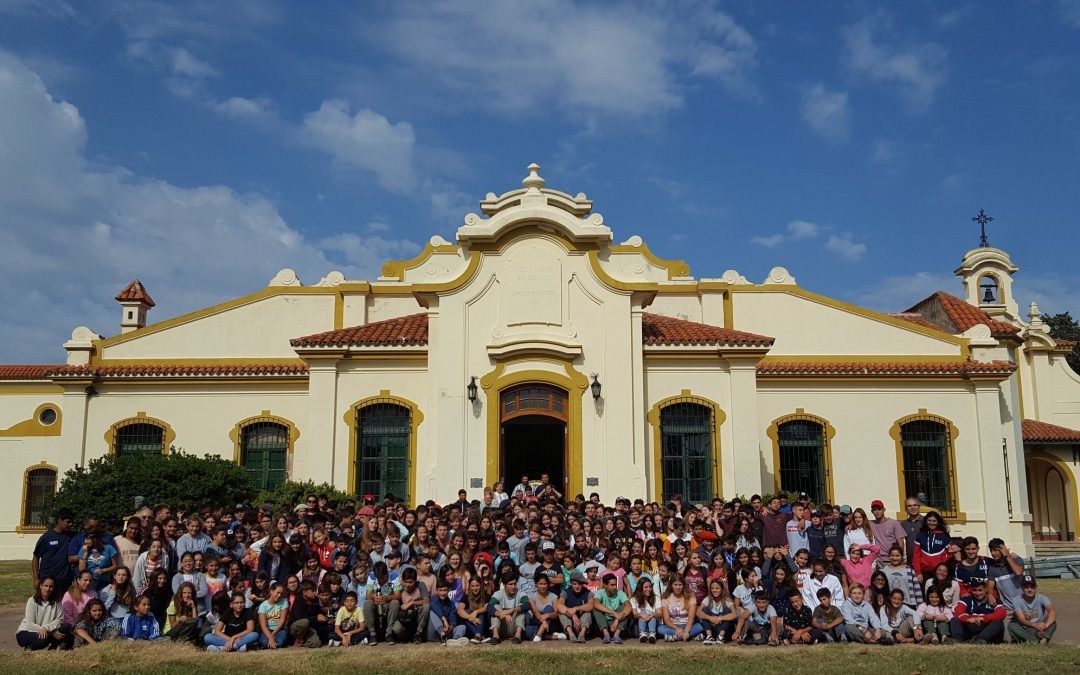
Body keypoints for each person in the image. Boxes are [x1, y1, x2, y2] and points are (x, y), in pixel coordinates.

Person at [32, 510, 76, 597]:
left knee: (61, 607)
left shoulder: (72, 536)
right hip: (47, 579)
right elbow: (36, 557)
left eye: (71, 522)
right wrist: (36, 578)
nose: (70, 524)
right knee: (45, 605)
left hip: (64, 580)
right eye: (68, 522)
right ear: (59, 521)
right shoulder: (46, 537)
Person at [16, 577, 67, 650]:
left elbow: (59, 619)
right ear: (40, 586)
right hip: (27, 631)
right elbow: (30, 625)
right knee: (43, 641)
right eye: (46, 586)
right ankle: (30, 648)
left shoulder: (57, 602)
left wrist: (47, 628)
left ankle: (53, 647)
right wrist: (51, 633)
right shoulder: (32, 601)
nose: (48, 589)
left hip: (47, 630)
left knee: (66, 627)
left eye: (51, 586)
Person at [950, 579, 1005, 644]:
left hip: (986, 627)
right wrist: (967, 619)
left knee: (998, 622)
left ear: (986, 589)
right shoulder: (966, 599)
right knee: (955, 619)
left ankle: (980, 640)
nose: (977, 593)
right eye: (974, 590)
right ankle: (957, 639)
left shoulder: (994, 600)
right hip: (970, 625)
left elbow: (1002, 613)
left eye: (980, 590)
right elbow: (958, 612)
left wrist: (983, 618)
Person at [1009, 575, 1056, 644]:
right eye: (1026, 587)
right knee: (1011, 626)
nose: (1029, 590)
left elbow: (1052, 611)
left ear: (1036, 587)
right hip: (1025, 628)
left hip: (1040, 627)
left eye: (1032, 587)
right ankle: (1035, 641)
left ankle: (1043, 640)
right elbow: (1021, 619)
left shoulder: (1042, 597)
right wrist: (1034, 625)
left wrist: (1045, 626)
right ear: (1022, 588)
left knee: (1053, 622)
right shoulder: (1016, 600)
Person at [658, 575, 701, 642]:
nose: (678, 587)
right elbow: (666, 620)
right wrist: (677, 628)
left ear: (683, 585)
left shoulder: (691, 597)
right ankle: (689, 636)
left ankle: (675, 637)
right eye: (675, 585)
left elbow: (691, 618)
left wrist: (686, 631)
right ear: (671, 585)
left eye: (680, 585)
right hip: (673, 626)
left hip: (687, 625)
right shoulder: (665, 598)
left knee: (700, 626)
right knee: (660, 629)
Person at [593, 571, 631, 644]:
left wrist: (617, 619)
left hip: (617, 624)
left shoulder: (620, 593)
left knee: (625, 607)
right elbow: (596, 604)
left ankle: (617, 634)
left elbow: (628, 606)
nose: (614, 587)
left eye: (615, 585)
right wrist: (614, 613)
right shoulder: (600, 592)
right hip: (603, 624)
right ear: (605, 585)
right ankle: (606, 634)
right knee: (596, 609)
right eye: (612, 585)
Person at [697, 578, 738, 644]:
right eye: (712, 588)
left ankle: (721, 637)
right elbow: (698, 612)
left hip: (724, 629)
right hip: (712, 628)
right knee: (704, 610)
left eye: (717, 588)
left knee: (728, 610)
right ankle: (709, 636)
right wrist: (710, 618)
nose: (714, 590)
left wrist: (719, 618)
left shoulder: (727, 600)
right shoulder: (708, 599)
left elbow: (734, 614)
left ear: (722, 589)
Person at [911, 511, 950, 580]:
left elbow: (948, 554)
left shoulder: (944, 536)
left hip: (939, 572)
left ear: (938, 522)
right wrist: (918, 572)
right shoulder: (920, 535)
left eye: (934, 521)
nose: (932, 523)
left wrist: (942, 567)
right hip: (923, 573)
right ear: (926, 521)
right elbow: (916, 556)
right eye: (929, 520)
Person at [557, 570, 593, 643]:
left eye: (579, 584)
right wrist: (573, 614)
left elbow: (591, 605)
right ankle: (571, 634)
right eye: (574, 584)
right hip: (570, 622)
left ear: (582, 584)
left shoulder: (588, 593)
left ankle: (582, 634)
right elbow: (559, 605)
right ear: (571, 584)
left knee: (588, 613)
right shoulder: (565, 592)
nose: (577, 586)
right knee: (561, 613)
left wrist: (576, 608)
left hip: (583, 623)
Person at [489, 574, 525, 644]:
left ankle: (517, 637)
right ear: (504, 585)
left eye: (515, 584)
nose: (513, 586)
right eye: (510, 584)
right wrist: (503, 614)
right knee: (495, 606)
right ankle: (496, 637)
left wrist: (512, 610)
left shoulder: (520, 592)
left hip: (515, 626)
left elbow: (528, 605)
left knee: (521, 607)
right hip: (502, 626)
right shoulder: (499, 594)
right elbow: (489, 607)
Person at [257, 581, 291, 648]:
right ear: (271, 591)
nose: (279, 595)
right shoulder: (263, 605)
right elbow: (263, 625)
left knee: (280, 642)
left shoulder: (284, 601)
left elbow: (282, 621)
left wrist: (272, 635)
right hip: (268, 629)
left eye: (281, 593)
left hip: (280, 629)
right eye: (278, 592)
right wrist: (270, 637)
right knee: (264, 642)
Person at [457, 576, 490, 644]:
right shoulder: (466, 597)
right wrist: (470, 617)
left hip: (484, 625)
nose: (475, 588)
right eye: (472, 586)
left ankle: (478, 635)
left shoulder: (486, 596)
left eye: (477, 585)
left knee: (481, 613)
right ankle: (480, 635)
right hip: (471, 626)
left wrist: (476, 612)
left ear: (481, 585)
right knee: (467, 611)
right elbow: (459, 610)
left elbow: (486, 607)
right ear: (469, 586)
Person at [630, 577, 659, 643]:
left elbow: (660, 614)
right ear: (640, 588)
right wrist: (641, 615)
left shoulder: (656, 598)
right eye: (646, 587)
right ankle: (642, 633)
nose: (649, 589)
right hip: (639, 626)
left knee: (652, 617)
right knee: (642, 615)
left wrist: (652, 614)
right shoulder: (633, 599)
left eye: (650, 587)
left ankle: (652, 634)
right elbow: (634, 614)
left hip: (653, 626)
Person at [900, 497, 924, 564]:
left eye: (915, 505)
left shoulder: (926, 521)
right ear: (906, 509)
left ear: (919, 507)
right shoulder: (903, 524)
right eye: (909, 506)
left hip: (924, 560)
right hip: (910, 561)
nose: (912, 508)